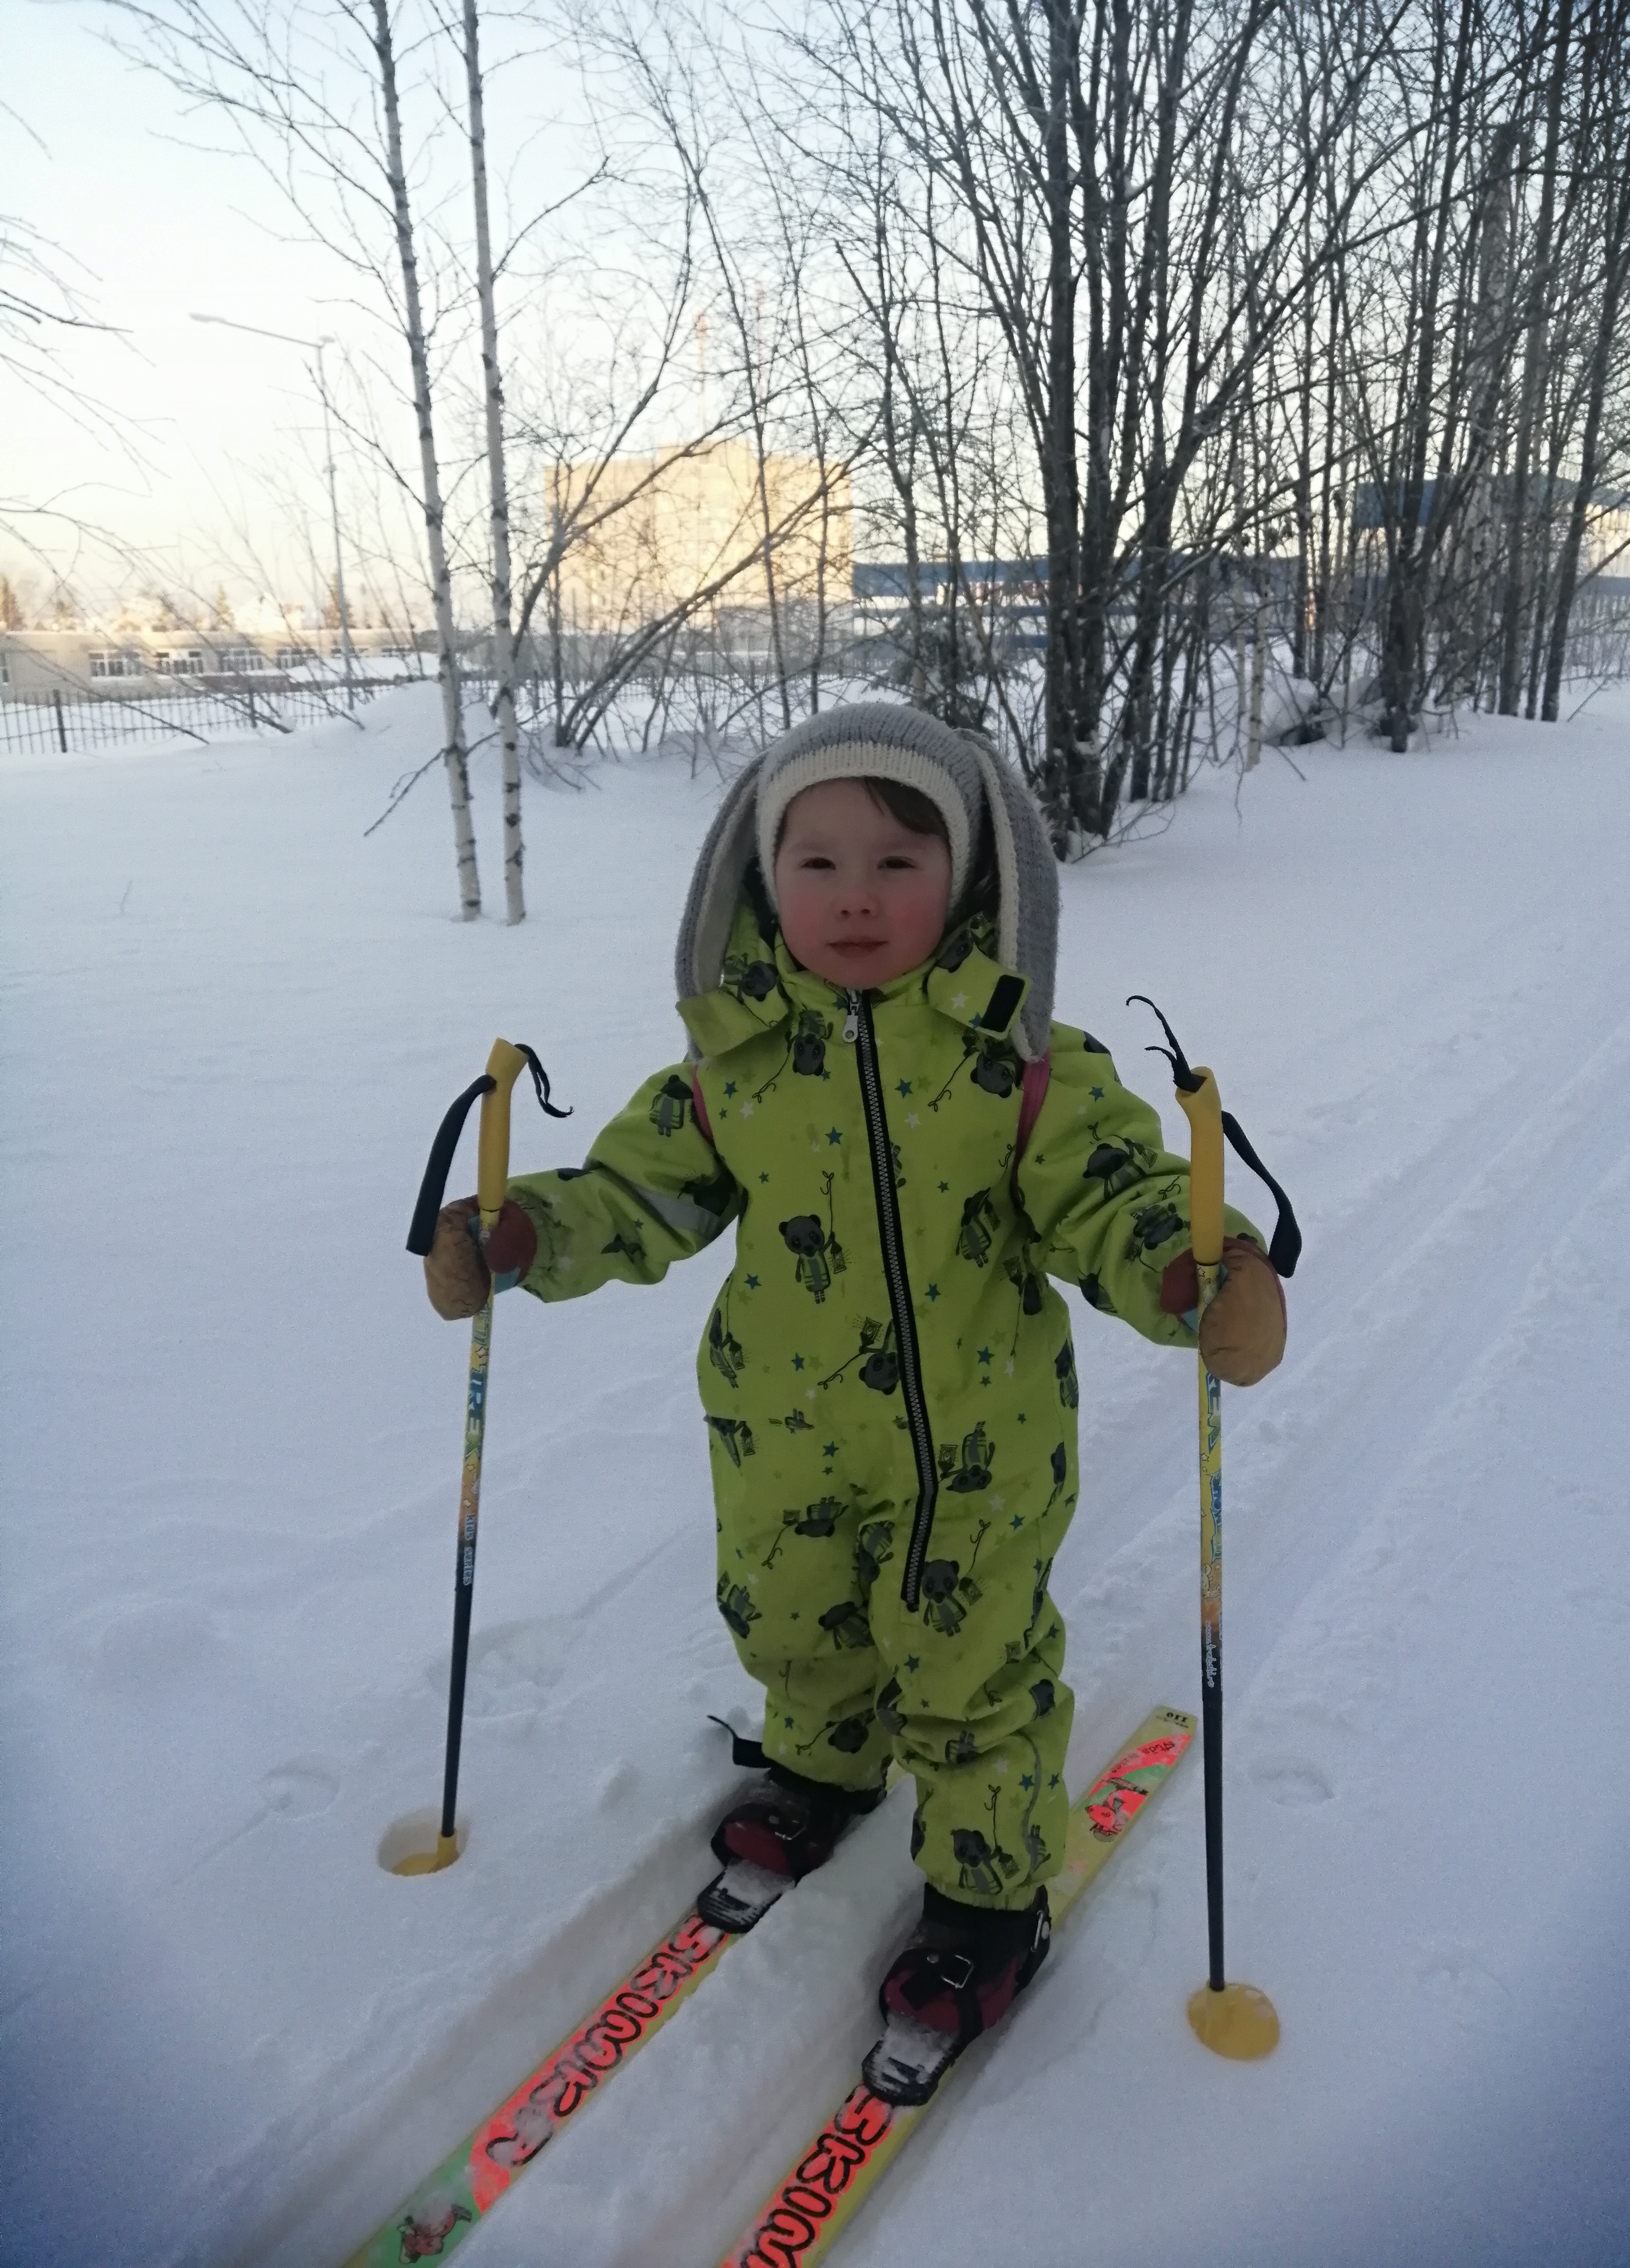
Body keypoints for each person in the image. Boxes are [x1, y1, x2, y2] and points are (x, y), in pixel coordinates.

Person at [422, 704, 1285, 2098]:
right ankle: (824, 1766)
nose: (856, 897)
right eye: (815, 863)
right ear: (763, 880)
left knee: (970, 1670)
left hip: (977, 1453)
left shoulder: (1022, 1066)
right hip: (779, 1436)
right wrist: (524, 1233)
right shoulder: (734, 1066)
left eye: (898, 861)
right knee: (792, 1620)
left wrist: (1194, 1271)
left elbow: (1112, 1193)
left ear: (971, 877)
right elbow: (636, 1193)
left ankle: (989, 1896)